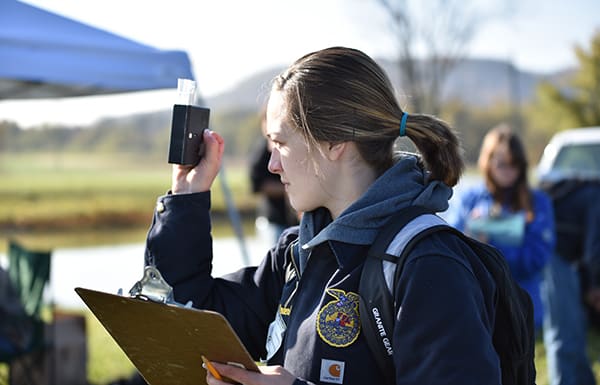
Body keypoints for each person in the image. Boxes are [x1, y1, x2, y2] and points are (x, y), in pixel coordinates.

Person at [144, 47, 504, 384]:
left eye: (281, 143)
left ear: (335, 141)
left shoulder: (429, 264)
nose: (272, 165)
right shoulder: (298, 254)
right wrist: (186, 196)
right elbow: (187, 318)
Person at [451, 124, 555, 330]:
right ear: (487, 162)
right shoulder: (470, 200)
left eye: (514, 164)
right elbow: (451, 249)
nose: (508, 171)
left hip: (521, 306)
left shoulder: (537, 202)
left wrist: (489, 248)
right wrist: (468, 240)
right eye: (501, 164)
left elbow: (538, 257)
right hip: (478, 307)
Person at [540, 177, 600, 385]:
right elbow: (595, 252)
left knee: (576, 330)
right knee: (564, 333)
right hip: (557, 253)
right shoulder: (596, 195)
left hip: (574, 258)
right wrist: (595, 286)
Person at [250, 113, 298, 245]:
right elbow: (257, 184)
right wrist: (288, 188)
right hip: (273, 221)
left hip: (291, 222)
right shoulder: (262, 151)